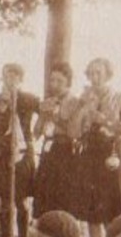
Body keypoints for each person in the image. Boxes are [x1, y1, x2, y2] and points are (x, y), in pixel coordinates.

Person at [76, 58, 121, 237]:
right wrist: (84, 109)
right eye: (90, 73)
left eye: (98, 73)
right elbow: (75, 131)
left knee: (113, 207)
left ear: (108, 74)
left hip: (111, 154)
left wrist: (106, 121)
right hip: (89, 154)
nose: (94, 78)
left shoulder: (120, 98)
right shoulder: (84, 98)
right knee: (92, 210)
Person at [0, 64, 40, 237]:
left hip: (24, 153)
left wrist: (41, 128)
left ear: (20, 78)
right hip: (3, 154)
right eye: (7, 76)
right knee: (5, 202)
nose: (11, 80)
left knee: (23, 202)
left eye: (15, 76)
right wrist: (2, 108)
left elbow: (43, 110)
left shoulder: (28, 98)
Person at [32, 61, 85, 218]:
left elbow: (73, 132)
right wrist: (42, 114)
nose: (54, 84)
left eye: (59, 81)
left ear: (68, 82)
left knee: (62, 199)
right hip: (47, 149)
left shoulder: (75, 102)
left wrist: (55, 116)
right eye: (52, 80)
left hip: (65, 151)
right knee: (43, 197)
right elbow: (36, 131)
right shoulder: (48, 100)